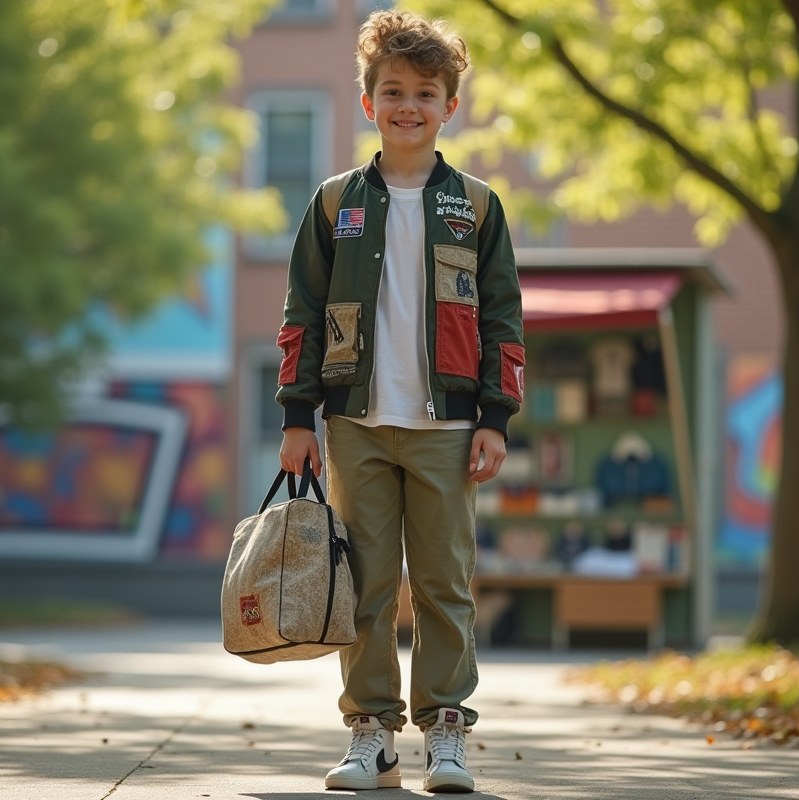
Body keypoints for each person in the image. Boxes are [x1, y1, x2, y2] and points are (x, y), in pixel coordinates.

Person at [274, 10, 523, 793]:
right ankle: (371, 735)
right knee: (366, 585)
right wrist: (296, 417)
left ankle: (446, 731)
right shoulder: (333, 203)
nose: (407, 105)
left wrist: (495, 418)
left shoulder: (476, 205)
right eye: (392, 91)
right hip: (354, 426)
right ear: (367, 101)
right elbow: (301, 315)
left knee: (445, 584)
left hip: (448, 427)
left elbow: (503, 318)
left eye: (424, 92)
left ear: (451, 105)